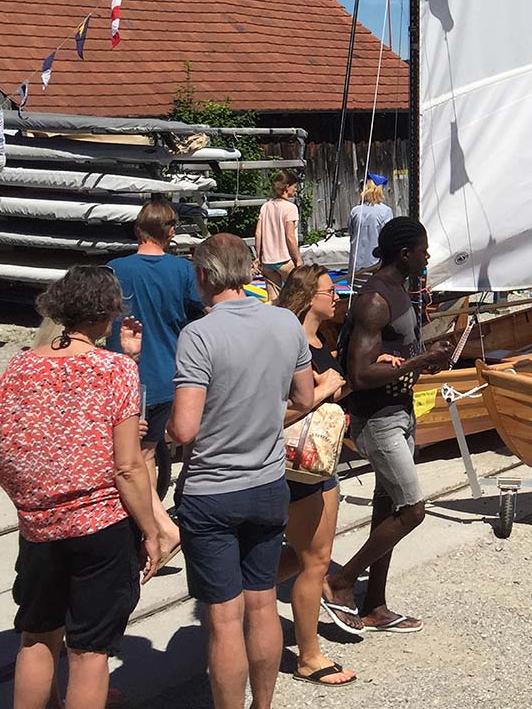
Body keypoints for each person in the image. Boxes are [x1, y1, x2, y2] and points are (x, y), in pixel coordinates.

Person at [0, 266, 163, 709]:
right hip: (100, 525)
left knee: (37, 637)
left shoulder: (20, 366)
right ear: (107, 314)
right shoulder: (115, 370)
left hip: (39, 526)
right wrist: (152, 529)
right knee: (89, 650)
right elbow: (127, 467)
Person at [169, 234, 314, 709]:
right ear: (250, 270)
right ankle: (263, 705)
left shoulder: (199, 334)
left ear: (205, 276)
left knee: (226, 618)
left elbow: (185, 428)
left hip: (212, 488)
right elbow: (305, 398)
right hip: (268, 483)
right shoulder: (284, 323)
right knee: (263, 601)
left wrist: (167, 430)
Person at [321, 217, 454, 636]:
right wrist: (419, 362)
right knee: (413, 509)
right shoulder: (375, 300)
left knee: (386, 507)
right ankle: (340, 583)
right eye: (423, 250)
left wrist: (427, 354)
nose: (427, 256)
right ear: (404, 254)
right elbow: (359, 373)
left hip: (400, 411)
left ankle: (375, 604)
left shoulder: (399, 291)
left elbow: (394, 352)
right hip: (377, 419)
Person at [273, 264, 355, 687]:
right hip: (299, 466)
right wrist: (324, 390)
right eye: (329, 290)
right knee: (315, 562)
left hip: (318, 461)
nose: (336, 296)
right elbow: (286, 405)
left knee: (307, 556)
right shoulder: (290, 343)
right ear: (308, 297)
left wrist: (334, 386)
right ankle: (308, 656)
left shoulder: (320, 341)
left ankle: (248, 593)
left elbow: (331, 388)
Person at [107, 200, 200, 553]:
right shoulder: (183, 272)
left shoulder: (115, 269)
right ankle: (160, 523)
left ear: (137, 229)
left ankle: (161, 530)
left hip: (128, 375)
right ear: (171, 231)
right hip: (169, 373)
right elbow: (199, 313)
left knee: (136, 456)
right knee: (152, 452)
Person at [254, 172, 303, 298]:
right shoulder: (290, 208)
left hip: (268, 261)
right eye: (294, 186)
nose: (296, 189)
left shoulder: (265, 206)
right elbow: (290, 237)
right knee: (297, 296)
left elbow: (258, 233)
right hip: (285, 259)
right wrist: (298, 259)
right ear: (287, 187)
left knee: (273, 299)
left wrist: (258, 257)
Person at [348, 175, 394, 276]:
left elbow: (351, 235)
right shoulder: (385, 211)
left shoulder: (355, 211)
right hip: (376, 267)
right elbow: (388, 240)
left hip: (355, 268)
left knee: (358, 290)